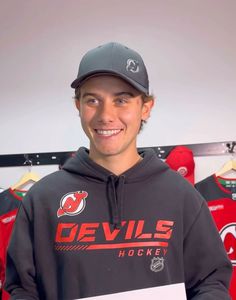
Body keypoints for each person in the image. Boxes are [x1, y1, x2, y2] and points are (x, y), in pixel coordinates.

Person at [5, 42, 232, 299]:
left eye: (121, 100)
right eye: (93, 100)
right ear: (77, 105)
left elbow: (210, 283)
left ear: (146, 107)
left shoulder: (182, 197)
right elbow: (22, 289)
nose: (106, 115)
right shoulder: (42, 199)